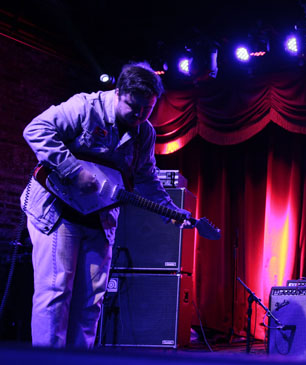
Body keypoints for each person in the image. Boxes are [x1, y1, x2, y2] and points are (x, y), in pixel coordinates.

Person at [20, 62, 189, 348]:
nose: (139, 115)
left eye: (147, 109)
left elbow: (146, 176)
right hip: (57, 213)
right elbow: (36, 130)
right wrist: (73, 170)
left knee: (91, 301)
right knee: (56, 293)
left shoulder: (145, 133)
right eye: (133, 107)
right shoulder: (85, 107)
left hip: (99, 219)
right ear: (118, 93)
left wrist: (169, 208)